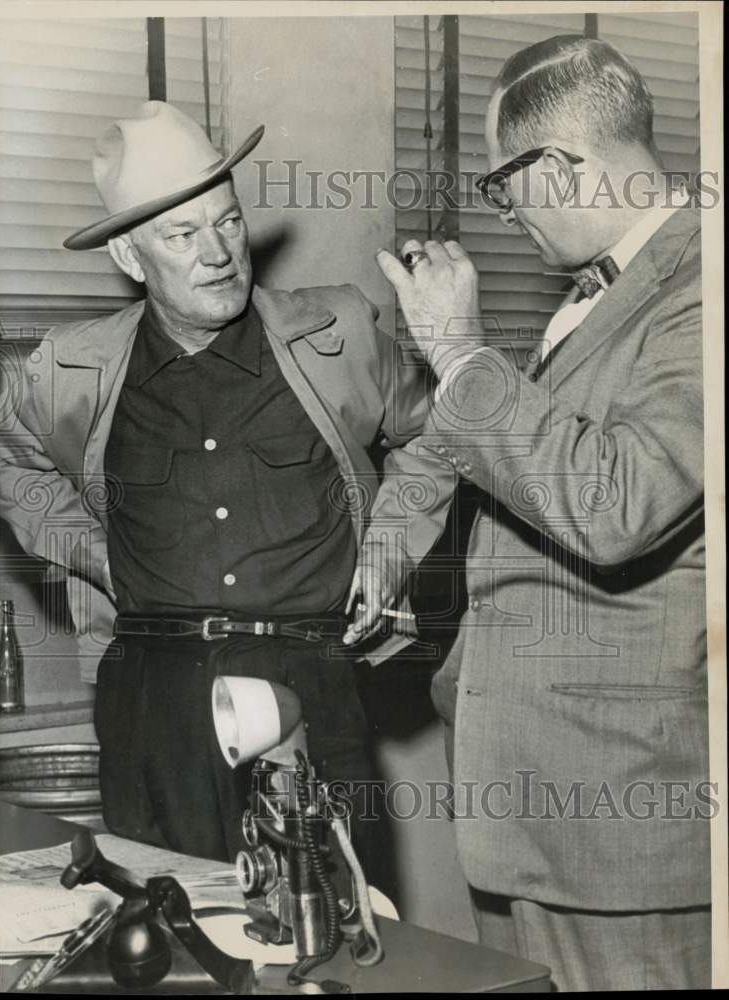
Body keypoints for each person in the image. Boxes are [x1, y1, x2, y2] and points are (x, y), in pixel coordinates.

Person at [0, 101, 454, 868]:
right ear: (131, 260)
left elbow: (435, 431)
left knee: (332, 938)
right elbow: (3, 456)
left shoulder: (335, 332)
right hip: (154, 701)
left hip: (309, 684)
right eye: (182, 234)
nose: (218, 253)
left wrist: (389, 549)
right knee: (171, 945)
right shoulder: (70, 367)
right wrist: (96, 557)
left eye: (229, 222)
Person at [374, 35, 710, 991]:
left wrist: (463, 353)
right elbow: (516, 473)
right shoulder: (598, 298)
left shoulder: (700, 286)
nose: (503, 213)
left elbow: (614, 504)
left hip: (623, 827)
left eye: (501, 186)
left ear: (559, 168)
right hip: (543, 815)